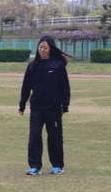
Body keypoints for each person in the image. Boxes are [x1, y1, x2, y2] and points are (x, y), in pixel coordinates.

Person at [18, 35, 71, 176]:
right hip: (36, 107)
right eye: (40, 47)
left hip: (53, 108)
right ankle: (35, 166)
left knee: (54, 137)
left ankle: (58, 165)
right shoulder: (32, 65)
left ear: (50, 49)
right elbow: (26, 87)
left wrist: (65, 106)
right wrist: (22, 105)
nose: (42, 50)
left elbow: (64, 87)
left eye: (45, 47)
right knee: (34, 136)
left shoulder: (58, 65)